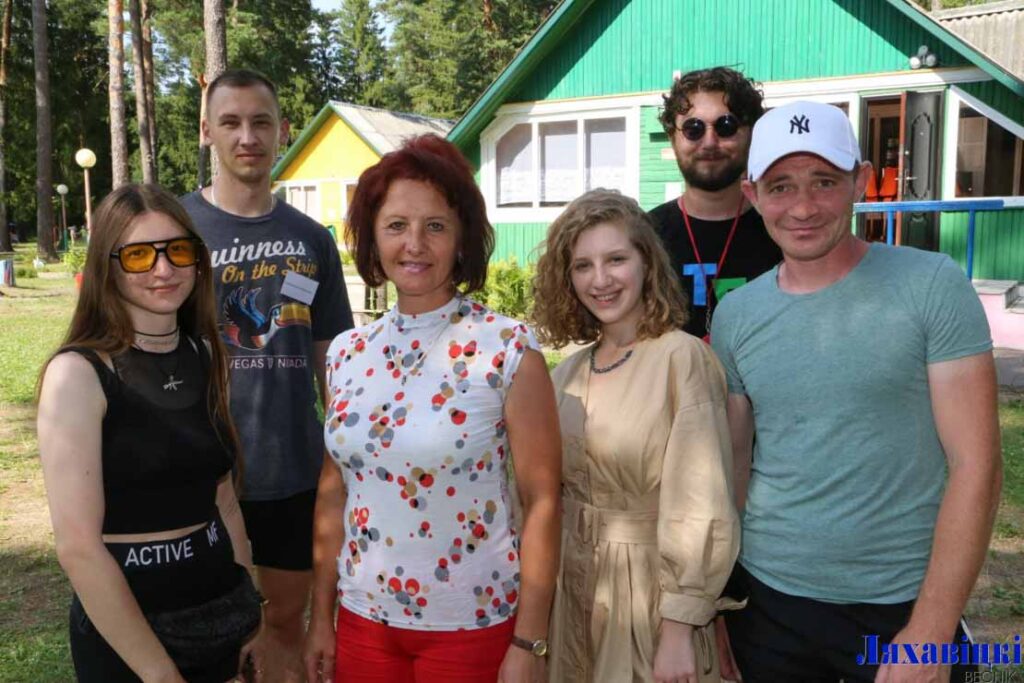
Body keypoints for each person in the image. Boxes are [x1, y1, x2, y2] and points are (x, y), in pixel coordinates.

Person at [711, 101, 1002, 682]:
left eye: (824, 181)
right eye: (781, 186)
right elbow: (733, 471)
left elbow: (978, 465)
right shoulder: (736, 314)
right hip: (769, 607)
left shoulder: (930, 285)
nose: (802, 207)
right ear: (752, 195)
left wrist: (931, 630)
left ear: (861, 181)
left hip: (901, 607)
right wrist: (720, 603)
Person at [303, 134, 562, 683]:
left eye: (435, 226)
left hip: (471, 625)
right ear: (372, 238)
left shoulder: (507, 348)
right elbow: (333, 491)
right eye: (396, 225)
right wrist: (321, 618)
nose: (414, 244)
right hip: (363, 621)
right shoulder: (346, 353)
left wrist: (530, 641)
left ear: (462, 238)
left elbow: (542, 500)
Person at [36, 184, 264, 682]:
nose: (164, 269)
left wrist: (250, 607)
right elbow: (77, 547)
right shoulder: (78, 374)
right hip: (128, 632)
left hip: (217, 613)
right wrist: (159, 674)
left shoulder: (207, 355)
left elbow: (224, 499)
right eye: (139, 255)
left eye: (178, 250)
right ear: (108, 267)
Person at [182, 68, 354, 681]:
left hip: (291, 469)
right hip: (200, 469)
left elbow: (332, 356)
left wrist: (347, 454)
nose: (247, 136)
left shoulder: (310, 239)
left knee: (283, 623)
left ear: (282, 130)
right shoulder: (177, 230)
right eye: (230, 122)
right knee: (208, 630)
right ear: (207, 130)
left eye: (261, 122)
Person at [533, 189, 740, 683]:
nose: (600, 280)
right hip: (572, 594)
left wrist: (679, 629)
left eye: (616, 259)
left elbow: (702, 504)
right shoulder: (566, 375)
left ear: (646, 262)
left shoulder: (681, 358)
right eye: (582, 266)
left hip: (649, 604)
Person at [649, 67, 781, 342]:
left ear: (751, 135)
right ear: (673, 138)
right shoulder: (644, 235)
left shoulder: (784, 230)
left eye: (726, 126)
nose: (709, 142)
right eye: (693, 129)